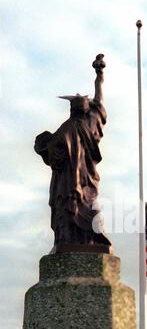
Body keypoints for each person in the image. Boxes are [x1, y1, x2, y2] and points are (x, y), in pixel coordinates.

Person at [34, 54, 111, 250]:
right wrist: (99, 74)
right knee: (78, 210)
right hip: (79, 182)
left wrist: (43, 144)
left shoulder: (65, 129)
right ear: (86, 108)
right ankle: (73, 242)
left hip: (71, 183)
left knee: (70, 209)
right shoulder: (89, 122)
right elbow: (100, 100)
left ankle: (71, 241)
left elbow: (50, 153)